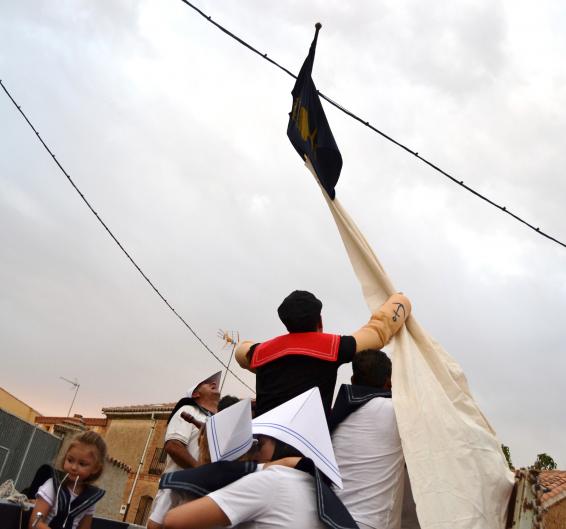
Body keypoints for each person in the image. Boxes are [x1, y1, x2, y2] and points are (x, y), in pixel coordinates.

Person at [162, 388, 359, 529]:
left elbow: (173, 520)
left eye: (260, 444)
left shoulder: (273, 480)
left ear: (281, 447)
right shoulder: (315, 486)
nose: (254, 453)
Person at [235, 289, 411, 418]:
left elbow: (241, 352)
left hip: (263, 444)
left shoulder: (261, 352)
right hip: (308, 448)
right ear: (319, 320)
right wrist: (401, 301)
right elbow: (377, 333)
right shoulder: (333, 347)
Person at [330, 349, 406, 529]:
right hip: (371, 523)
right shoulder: (398, 413)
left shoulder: (336, 417)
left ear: (353, 380)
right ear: (389, 382)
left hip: (331, 519)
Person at [147, 371, 221, 529]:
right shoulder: (188, 410)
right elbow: (173, 446)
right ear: (195, 394)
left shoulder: (218, 421)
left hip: (202, 493)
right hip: (176, 488)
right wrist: (200, 472)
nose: (215, 384)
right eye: (208, 383)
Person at [28, 431, 107, 529]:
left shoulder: (89, 498)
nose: (73, 467)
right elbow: (34, 523)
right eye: (70, 460)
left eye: (82, 464)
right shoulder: (52, 486)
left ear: (95, 468)